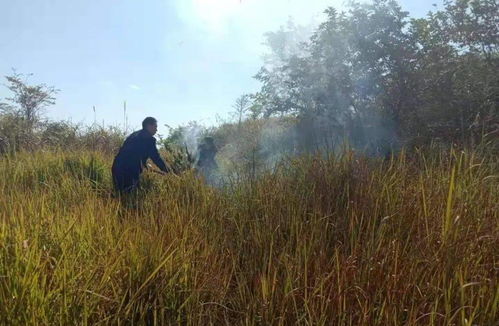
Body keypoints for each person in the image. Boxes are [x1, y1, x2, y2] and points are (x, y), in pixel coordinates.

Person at [112, 117, 170, 193]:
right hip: (130, 171)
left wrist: (144, 165)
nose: (156, 130)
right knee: (131, 197)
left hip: (117, 167)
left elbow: (133, 154)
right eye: (155, 127)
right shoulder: (149, 140)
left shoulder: (134, 135)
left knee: (120, 195)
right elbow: (156, 158)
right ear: (148, 126)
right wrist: (169, 171)